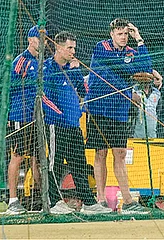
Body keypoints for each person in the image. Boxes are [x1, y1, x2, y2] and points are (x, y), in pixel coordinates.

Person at [85, 18, 151, 215]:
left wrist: (139, 39)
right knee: (100, 154)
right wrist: (130, 80)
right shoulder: (101, 47)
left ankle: (129, 201)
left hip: (120, 111)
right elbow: (116, 69)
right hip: (99, 108)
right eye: (120, 34)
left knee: (120, 153)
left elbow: (146, 68)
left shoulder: (131, 51)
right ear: (112, 34)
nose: (123, 37)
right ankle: (101, 200)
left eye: (126, 34)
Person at [42, 32, 112, 215]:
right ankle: (54, 201)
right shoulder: (48, 68)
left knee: (79, 163)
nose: (73, 51)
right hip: (56, 126)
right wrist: (60, 115)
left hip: (74, 125)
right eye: (69, 48)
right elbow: (44, 98)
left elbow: (82, 91)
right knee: (55, 163)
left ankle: (88, 203)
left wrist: (76, 71)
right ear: (58, 47)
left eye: (74, 48)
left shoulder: (72, 69)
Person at [5, 26, 41, 215]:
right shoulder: (22, 61)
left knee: (38, 158)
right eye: (38, 37)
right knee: (18, 157)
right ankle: (12, 200)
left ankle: (43, 198)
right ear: (30, 39)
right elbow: (11, 86)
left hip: (38, 118)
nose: (42, 40)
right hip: (21, 116)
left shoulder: (42, 61)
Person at [132, 69, 163, 139]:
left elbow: (158, 109)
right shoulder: (134, 91)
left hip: (152, 128)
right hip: (137, 128)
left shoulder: (157, 93)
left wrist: (159, 79)